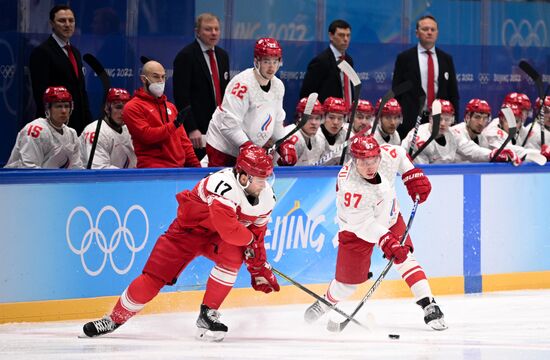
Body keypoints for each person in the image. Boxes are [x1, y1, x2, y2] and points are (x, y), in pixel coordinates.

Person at [81, 146, 280, 342]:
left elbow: (257, 235)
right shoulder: (222, 185)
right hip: (187, 232)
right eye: (260, 179)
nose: (264, 184)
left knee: (233, 257)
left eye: (266, 178)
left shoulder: (267, 197)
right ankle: (113, 319)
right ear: (243, 177)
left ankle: (208, 314)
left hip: (216, 237)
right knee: (152, 278)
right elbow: (230, 231)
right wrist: (253, 247)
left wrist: (258, 265)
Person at [303, 135, 447, 331]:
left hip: (390, 217)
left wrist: (411, 174)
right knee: (347, 285)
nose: (370, 167)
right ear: (354, 160)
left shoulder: (387, 155)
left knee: (405, 258)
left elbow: (401, 155)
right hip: (356, 230)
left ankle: (429, 304)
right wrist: (386, 239)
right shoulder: (349, 186)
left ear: (379, 156)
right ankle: (325, 302)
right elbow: (364, 225)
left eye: (373, 160)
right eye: (363, 162)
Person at [206, 37, 296, 167]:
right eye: (266, 61)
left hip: (249, 150)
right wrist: (248, 146)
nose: (271, 67)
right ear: (256, 61)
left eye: (275, 61)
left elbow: (276, 122)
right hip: (223, 148)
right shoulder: (242, 84)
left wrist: (283, 143)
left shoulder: (278, 86)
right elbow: (229, 125)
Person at [173, 13, 230, 160]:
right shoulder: (186, 56)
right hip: (198, 130)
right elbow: (181, 96)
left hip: (220, 127)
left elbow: (224, 93)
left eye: (216, 29)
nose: (213, 33)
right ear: (197, 32)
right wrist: (192, 128)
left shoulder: (223, 56)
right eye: (208, 29)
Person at [392, 15, 459, 140]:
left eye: (433, 30)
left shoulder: (446, 59)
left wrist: (454, 121)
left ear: (437, 33)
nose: (429, 32)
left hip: (440, 120)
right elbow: (397, 92)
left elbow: (453, 93)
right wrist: (398, 118)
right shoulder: (404, 58)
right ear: (417, 33)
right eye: (425, 29)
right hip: (410, 120)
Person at [123, 60, 201, 168]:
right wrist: (174, 125)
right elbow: (147, 136)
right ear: (143, 79)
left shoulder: (170, 107)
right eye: (156, 77)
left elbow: (184, 141)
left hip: (178, 169)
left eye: (163, 77)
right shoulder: (132, 107)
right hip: (152, 170)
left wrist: (197, 167)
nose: (160, 81)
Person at [29, 4, 92, 135]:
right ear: (52, 23)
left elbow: (80, 90)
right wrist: (54, 125)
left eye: (71, 20)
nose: (67, 24)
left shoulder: (75, 52)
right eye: (62, 20)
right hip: (55, 126)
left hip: (77, 124)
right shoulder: (42, 52)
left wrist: (88, 122)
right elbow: (41, 94)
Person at [5, 86, 83, 169]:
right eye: (58, 106)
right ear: (48, 109)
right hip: (19, 180)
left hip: (52, 180)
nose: (64, 111)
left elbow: (76, 168)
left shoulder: (72, 134)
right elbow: (29, 168)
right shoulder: (35, 130)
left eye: (67, 106)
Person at [300, 19, 354, 105]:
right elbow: (307, 95)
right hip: (327, 115)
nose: (345, 39)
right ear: (331, 36)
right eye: (341, 35)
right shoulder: (320, 61)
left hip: (346, 115)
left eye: (348, 35)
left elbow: (349, 90)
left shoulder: (349, 60)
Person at [79, 88, 136, 169]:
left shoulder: (129, 128)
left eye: (126, 107)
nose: (123, 112)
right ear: (107, 108)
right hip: (96, 180)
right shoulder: (95, 131)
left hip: (123, 179)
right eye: (118, 107)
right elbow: (99, 169)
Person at [451, 99, 519, 163]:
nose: (481, 123)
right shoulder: (456, 132)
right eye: (477, 117)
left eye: (485, 118)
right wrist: (492, 154)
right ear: (467, 117)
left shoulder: (482, 137)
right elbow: (471, 150)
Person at [282, 97, 326, 166]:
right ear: (299, 117)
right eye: (309, 118)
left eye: (317, 118)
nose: (314, 122)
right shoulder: (288, 135)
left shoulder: (320, 138)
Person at [318, 97, 349, 165]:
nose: (335, 122)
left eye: (340, 118)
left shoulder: (347, 135)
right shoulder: (314, 136)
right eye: (331, 117)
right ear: (323, 117)